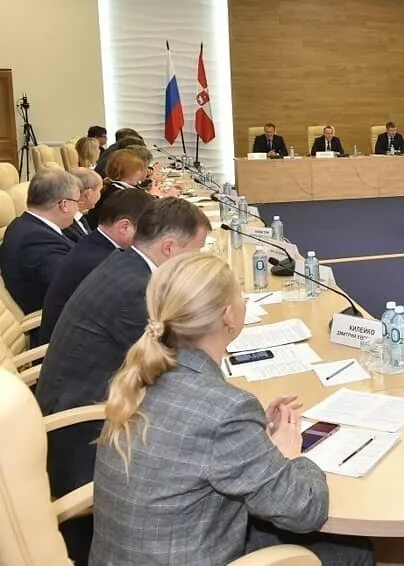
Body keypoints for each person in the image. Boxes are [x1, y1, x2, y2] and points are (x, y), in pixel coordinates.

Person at [91, 253, 373, 565]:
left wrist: (254, 438)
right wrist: (290, 456)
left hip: (128, 555)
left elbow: (197, 446)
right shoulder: (226, 410)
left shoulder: (140, 378)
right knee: (354, 552)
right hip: (187, 555)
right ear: (227, 316)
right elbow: (306, 508)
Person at [35, 198, 210, 563]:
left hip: (88, 406)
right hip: (85, 437)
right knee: (212, 446)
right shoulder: (136, 289)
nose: (199, 262)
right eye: (197, 252)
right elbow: (176, 370)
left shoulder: (127, 264)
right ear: (169, 248)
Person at [38, 189, 154, 348]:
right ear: (124, 227)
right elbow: (132, 324)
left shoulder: (95, 244)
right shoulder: (101, 262)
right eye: (146, 231)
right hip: (71, 348)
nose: (150, 238)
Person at [0, 169, 79, 314]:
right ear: (64, 205)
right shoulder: (37, 240)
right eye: (77, 202)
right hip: (54, 319)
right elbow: (71, 287)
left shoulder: (23, 224)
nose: (78, 209)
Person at [87, 148, 149, 228]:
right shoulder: (120, 194)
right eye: (140, 170)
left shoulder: (113, 185)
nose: (142, 172)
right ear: (130, 172)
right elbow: (143, 214)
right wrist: (154, 195)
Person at [63, 167, 102, 243]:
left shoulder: (79, 217)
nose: (100, 194)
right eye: (99, 190)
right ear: (88, 194)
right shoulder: (66, 223)